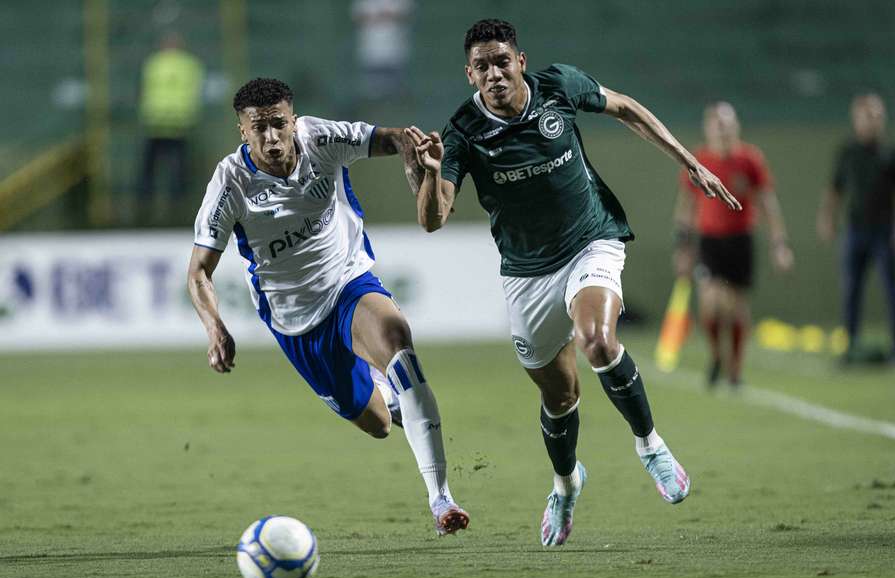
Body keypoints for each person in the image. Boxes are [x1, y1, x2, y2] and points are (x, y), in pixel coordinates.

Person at [405, 19, 740, 547]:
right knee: (561, 396)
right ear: (470, 74)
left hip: (591, 239)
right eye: (482, 66)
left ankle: (649, 444)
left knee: (599, 340)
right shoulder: (461, 133)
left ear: (520, 60)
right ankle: (565, 484)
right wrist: (427, 172)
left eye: (502, 60)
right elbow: (433, 219)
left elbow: (627, 107)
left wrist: (690, 162)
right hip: (526, 272)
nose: (494, 72)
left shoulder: (559, 86)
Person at [187, 78, 468, 535]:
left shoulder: (321, 138)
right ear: (242, 131)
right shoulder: (230, 183)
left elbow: (395, 137)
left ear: (293, 121)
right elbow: (198, 271)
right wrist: (215, 328)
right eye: (259, 128)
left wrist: (417, 161)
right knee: (378, 424)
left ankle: (441, 500)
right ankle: (392, 399)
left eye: (279, 124)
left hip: (348, 283)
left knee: (400, 347)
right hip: (295, 321)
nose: (272, 137)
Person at [673, 102, 793, 386]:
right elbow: (686, 206)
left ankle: (735, 369)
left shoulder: (750, 159)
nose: (723, 130)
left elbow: (767, 202)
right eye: (717, 124)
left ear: (736, 125)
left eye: (727, 124)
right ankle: (716, 355)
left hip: (740, 240)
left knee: (736, 306)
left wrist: (780, 244)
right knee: (710, 304)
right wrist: (683, 247)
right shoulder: (698, 160)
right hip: (710, 241)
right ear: (708, 128)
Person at [818, 93, 895, 361]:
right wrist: (827, 218)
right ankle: (851, 345)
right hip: (855, 230)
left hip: (885, 232)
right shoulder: (848, 152)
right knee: (852, 289)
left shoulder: (890, 154)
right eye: (866, 116)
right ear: (856, 120)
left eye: (876, 116)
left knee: (893, 290)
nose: (872, 122)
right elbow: (835, 189)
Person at [137, 33, 205, 225]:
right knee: (176, 171)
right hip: (177, 122)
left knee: (154, 171)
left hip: (158, 122)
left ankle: (152, 210)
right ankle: (174, 211)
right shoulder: (190, 64)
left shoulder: (153, 63)